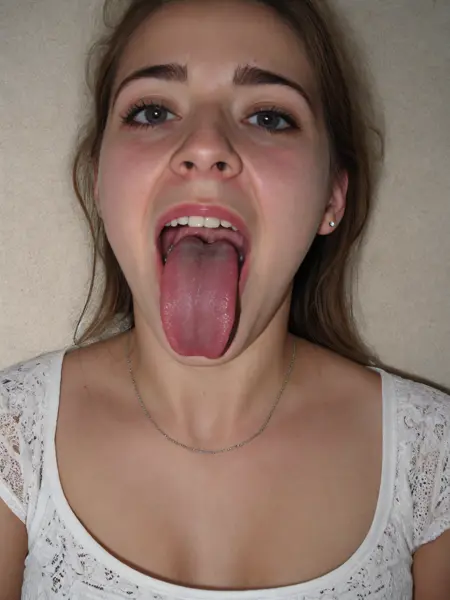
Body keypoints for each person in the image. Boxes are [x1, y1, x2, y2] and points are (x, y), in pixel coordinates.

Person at [1, 0, 449, 598]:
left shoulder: (432, 460)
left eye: (269, 117)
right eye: (153, 111)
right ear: (99, 180)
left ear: (331, 198)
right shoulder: (12, 438)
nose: (207, 145)